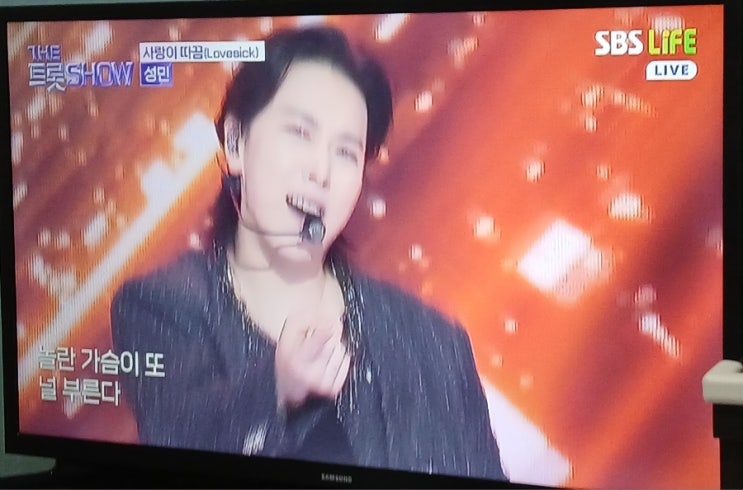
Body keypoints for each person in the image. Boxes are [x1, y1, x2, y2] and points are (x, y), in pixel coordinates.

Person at [111, 26, 506, 481]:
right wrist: (276, 387)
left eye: (346, 153)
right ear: (236, 143)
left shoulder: (436, 343)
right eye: (300, 133)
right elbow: (177, 439)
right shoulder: (164, 306)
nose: (320, 171)